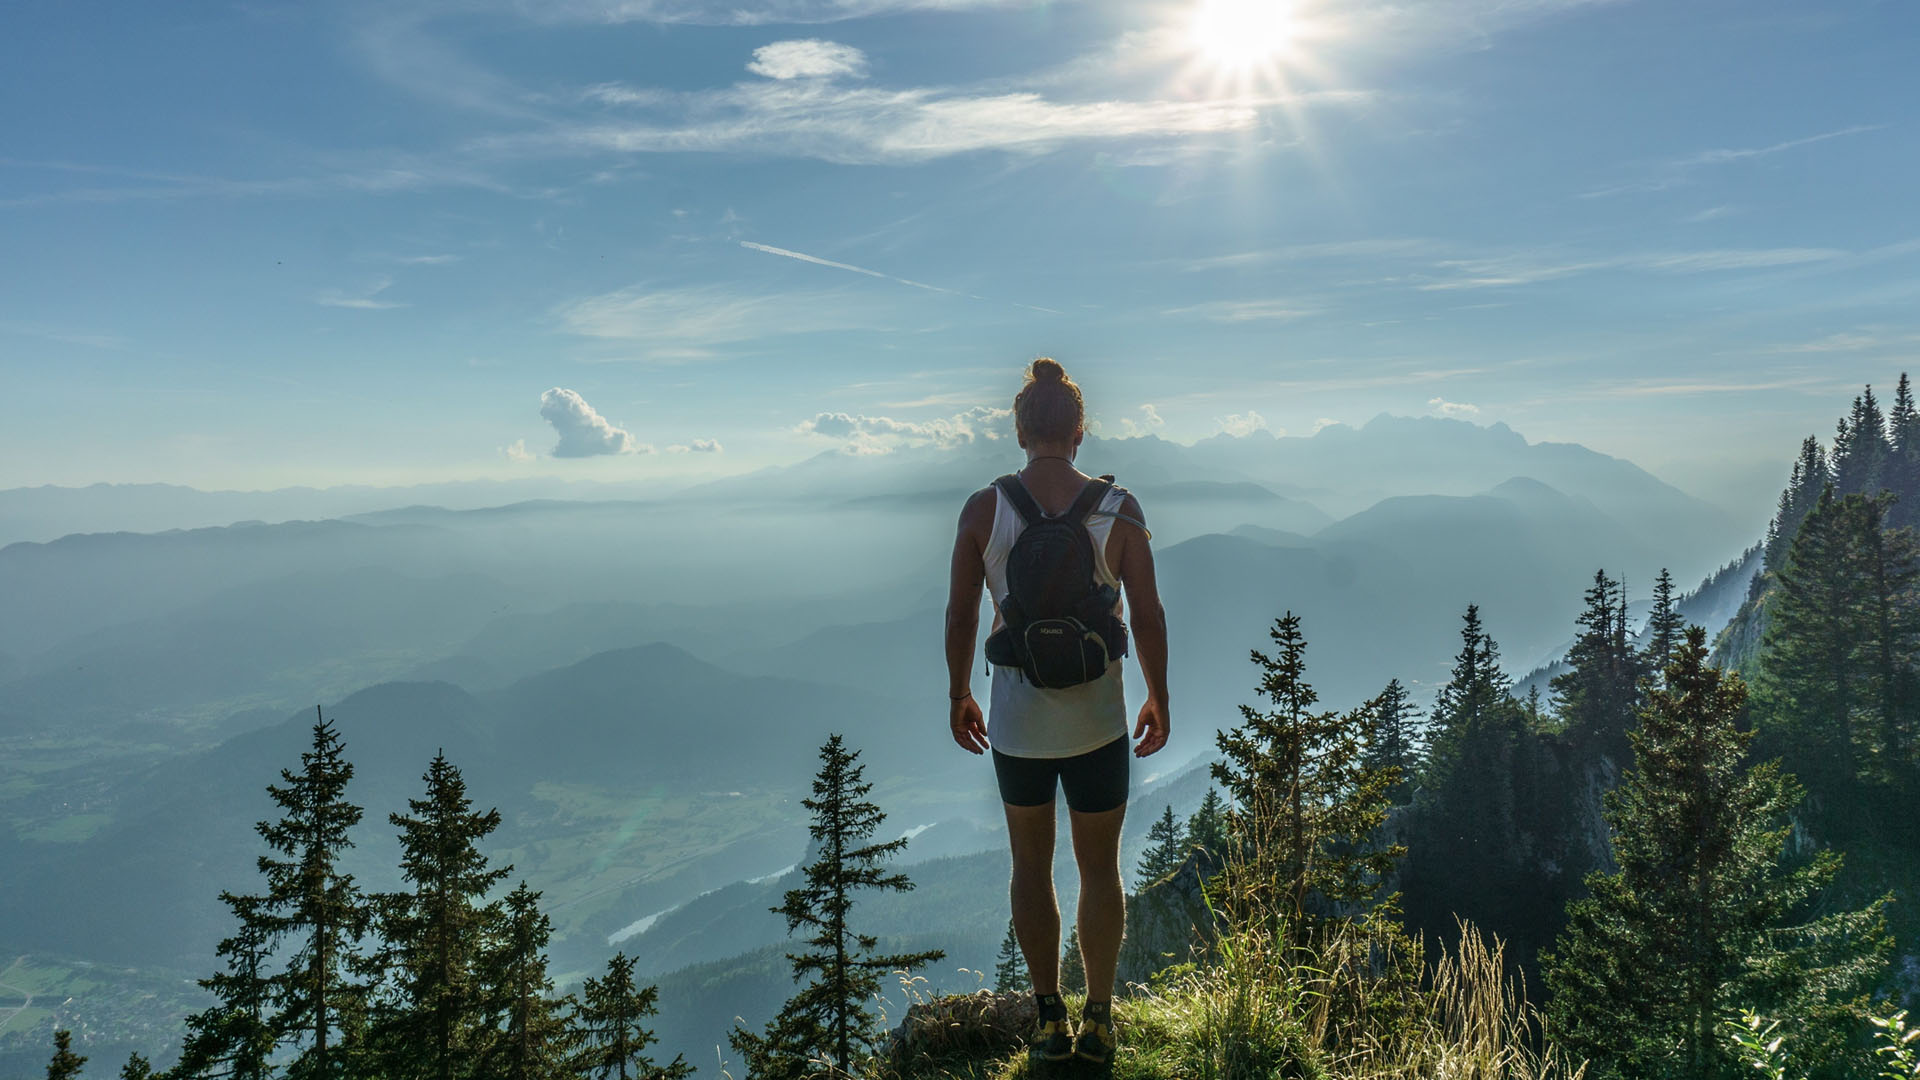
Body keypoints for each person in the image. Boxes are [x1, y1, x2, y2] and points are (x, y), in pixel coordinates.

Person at [944, 357, 1171, 1066]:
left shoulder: (984, 510)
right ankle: (1099, 1020)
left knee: (1030, 867)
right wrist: (1159, 695)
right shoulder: (1120, 509)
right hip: (1098, 721)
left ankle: (1048, 1021)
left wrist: (959, 693)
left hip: (1018, 726)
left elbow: (961, 612)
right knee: (1100, 871)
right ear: (1079, 431)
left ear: (1020, 431)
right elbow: (1148, 614)